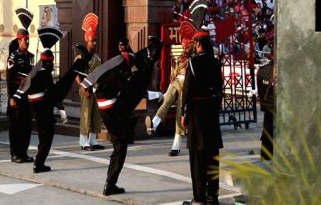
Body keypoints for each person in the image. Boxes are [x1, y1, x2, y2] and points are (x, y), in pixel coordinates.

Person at [81, 36, 163, 196]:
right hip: (112, 108)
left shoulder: (118, 64)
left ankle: (110, 183)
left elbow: (102, 73)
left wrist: (87, 85)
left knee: (120, 142)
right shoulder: (120, 64)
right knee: (120, 146)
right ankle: (109, 185)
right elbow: (133, 85)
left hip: (108, 106)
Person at [14, 27, 84, 173]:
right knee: (46, 137)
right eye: (51, 63)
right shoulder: (44, 75)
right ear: (47, 63)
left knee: (42, 137)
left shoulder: (35, 73)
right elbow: (53, 93)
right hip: (43, 108)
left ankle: (39, 163)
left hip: (36, 106)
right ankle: (39, 164)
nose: (52, 66)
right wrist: (61, 108)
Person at [182, 29, 223, 205]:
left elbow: (187, 91)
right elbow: (220, 90)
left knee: (198, 157)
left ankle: (199, 197)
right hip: (211, 112)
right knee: (212, 154)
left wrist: (184, 113)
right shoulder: (216, 63)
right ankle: (212, 195)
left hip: (197, 113)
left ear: (198, 44)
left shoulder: (193, 63)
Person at [146, 21, 195, 156]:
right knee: (166, 101)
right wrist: (168, 89)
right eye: (183, 46)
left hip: (187, 86)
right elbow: (174, 74)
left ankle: (176, 146)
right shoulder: (180, 58)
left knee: (180, 114)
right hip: (176, 82)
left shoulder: (195, 59)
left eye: (186, 46)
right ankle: (153, 124)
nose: (184, 48)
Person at [6, 8, 34, 163]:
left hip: (26, 96)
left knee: (26, 125)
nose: (27, 42)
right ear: (19, 41)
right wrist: (11, 97)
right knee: (16, 127)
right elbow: (10, 78)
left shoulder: (29, 56)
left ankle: (23, 152)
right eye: (24, 40)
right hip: (16, 96)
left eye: (28, 40)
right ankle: (15, 153)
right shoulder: (13, 57)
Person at [75, 13, 104, 151]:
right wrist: (82, 87)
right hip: (85, 88)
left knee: (95, 114)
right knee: (86, 113)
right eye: (93, 41)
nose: (95, 43)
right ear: (87, 41)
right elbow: (76, 74)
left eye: (96, 40)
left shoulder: (97, 58)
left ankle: (93, 140)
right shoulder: (81, 57)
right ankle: (84, 141)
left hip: (96, 88)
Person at [256, 50, 274, 161]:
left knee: (268, 142)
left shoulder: (262, 71)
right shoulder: (292, 70)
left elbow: (261, 94)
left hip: (269, 111)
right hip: (284, 113)